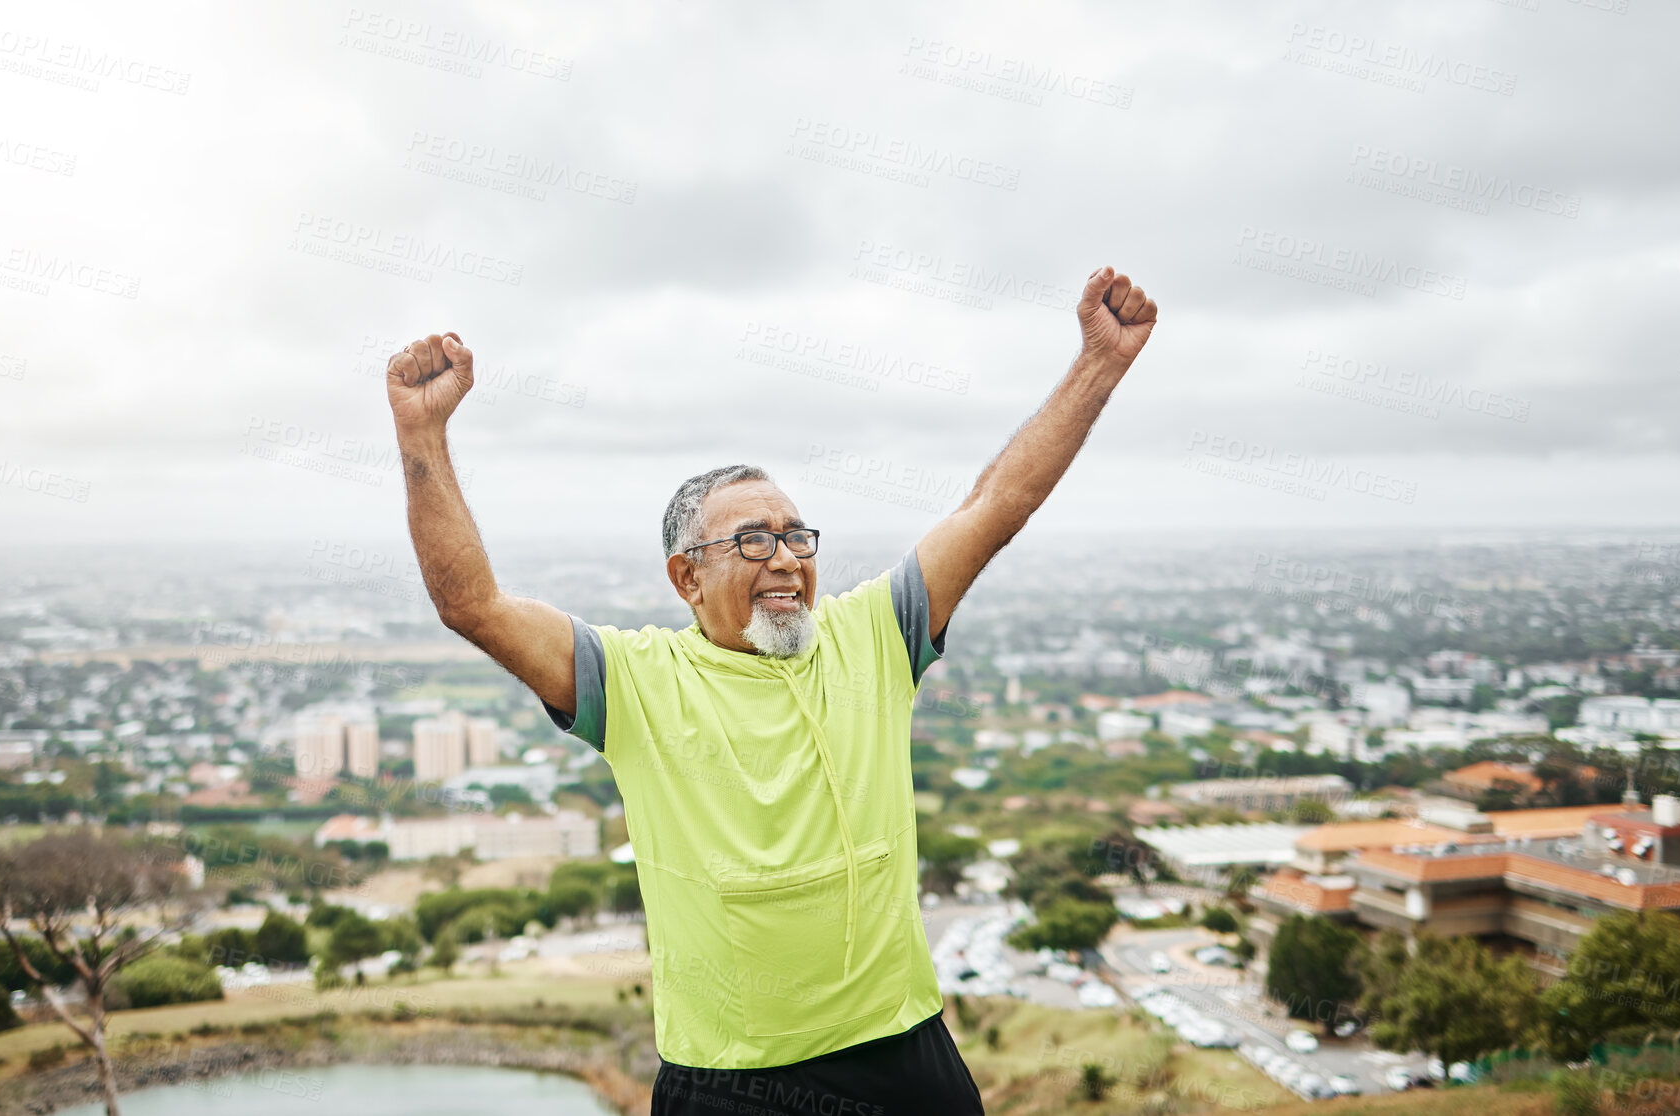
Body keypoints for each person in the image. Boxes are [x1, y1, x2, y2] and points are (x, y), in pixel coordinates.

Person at [385, 266, 1158, 1113]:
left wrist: (1097, 365)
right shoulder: (635, 680)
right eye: (752, 541)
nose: (787, 558)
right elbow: (472, 606)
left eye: (797, 537)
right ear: (687, 577)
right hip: (732, 1078)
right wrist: (422, 432)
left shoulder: (875, 635)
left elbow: (995, 503)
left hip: (905, 1051)